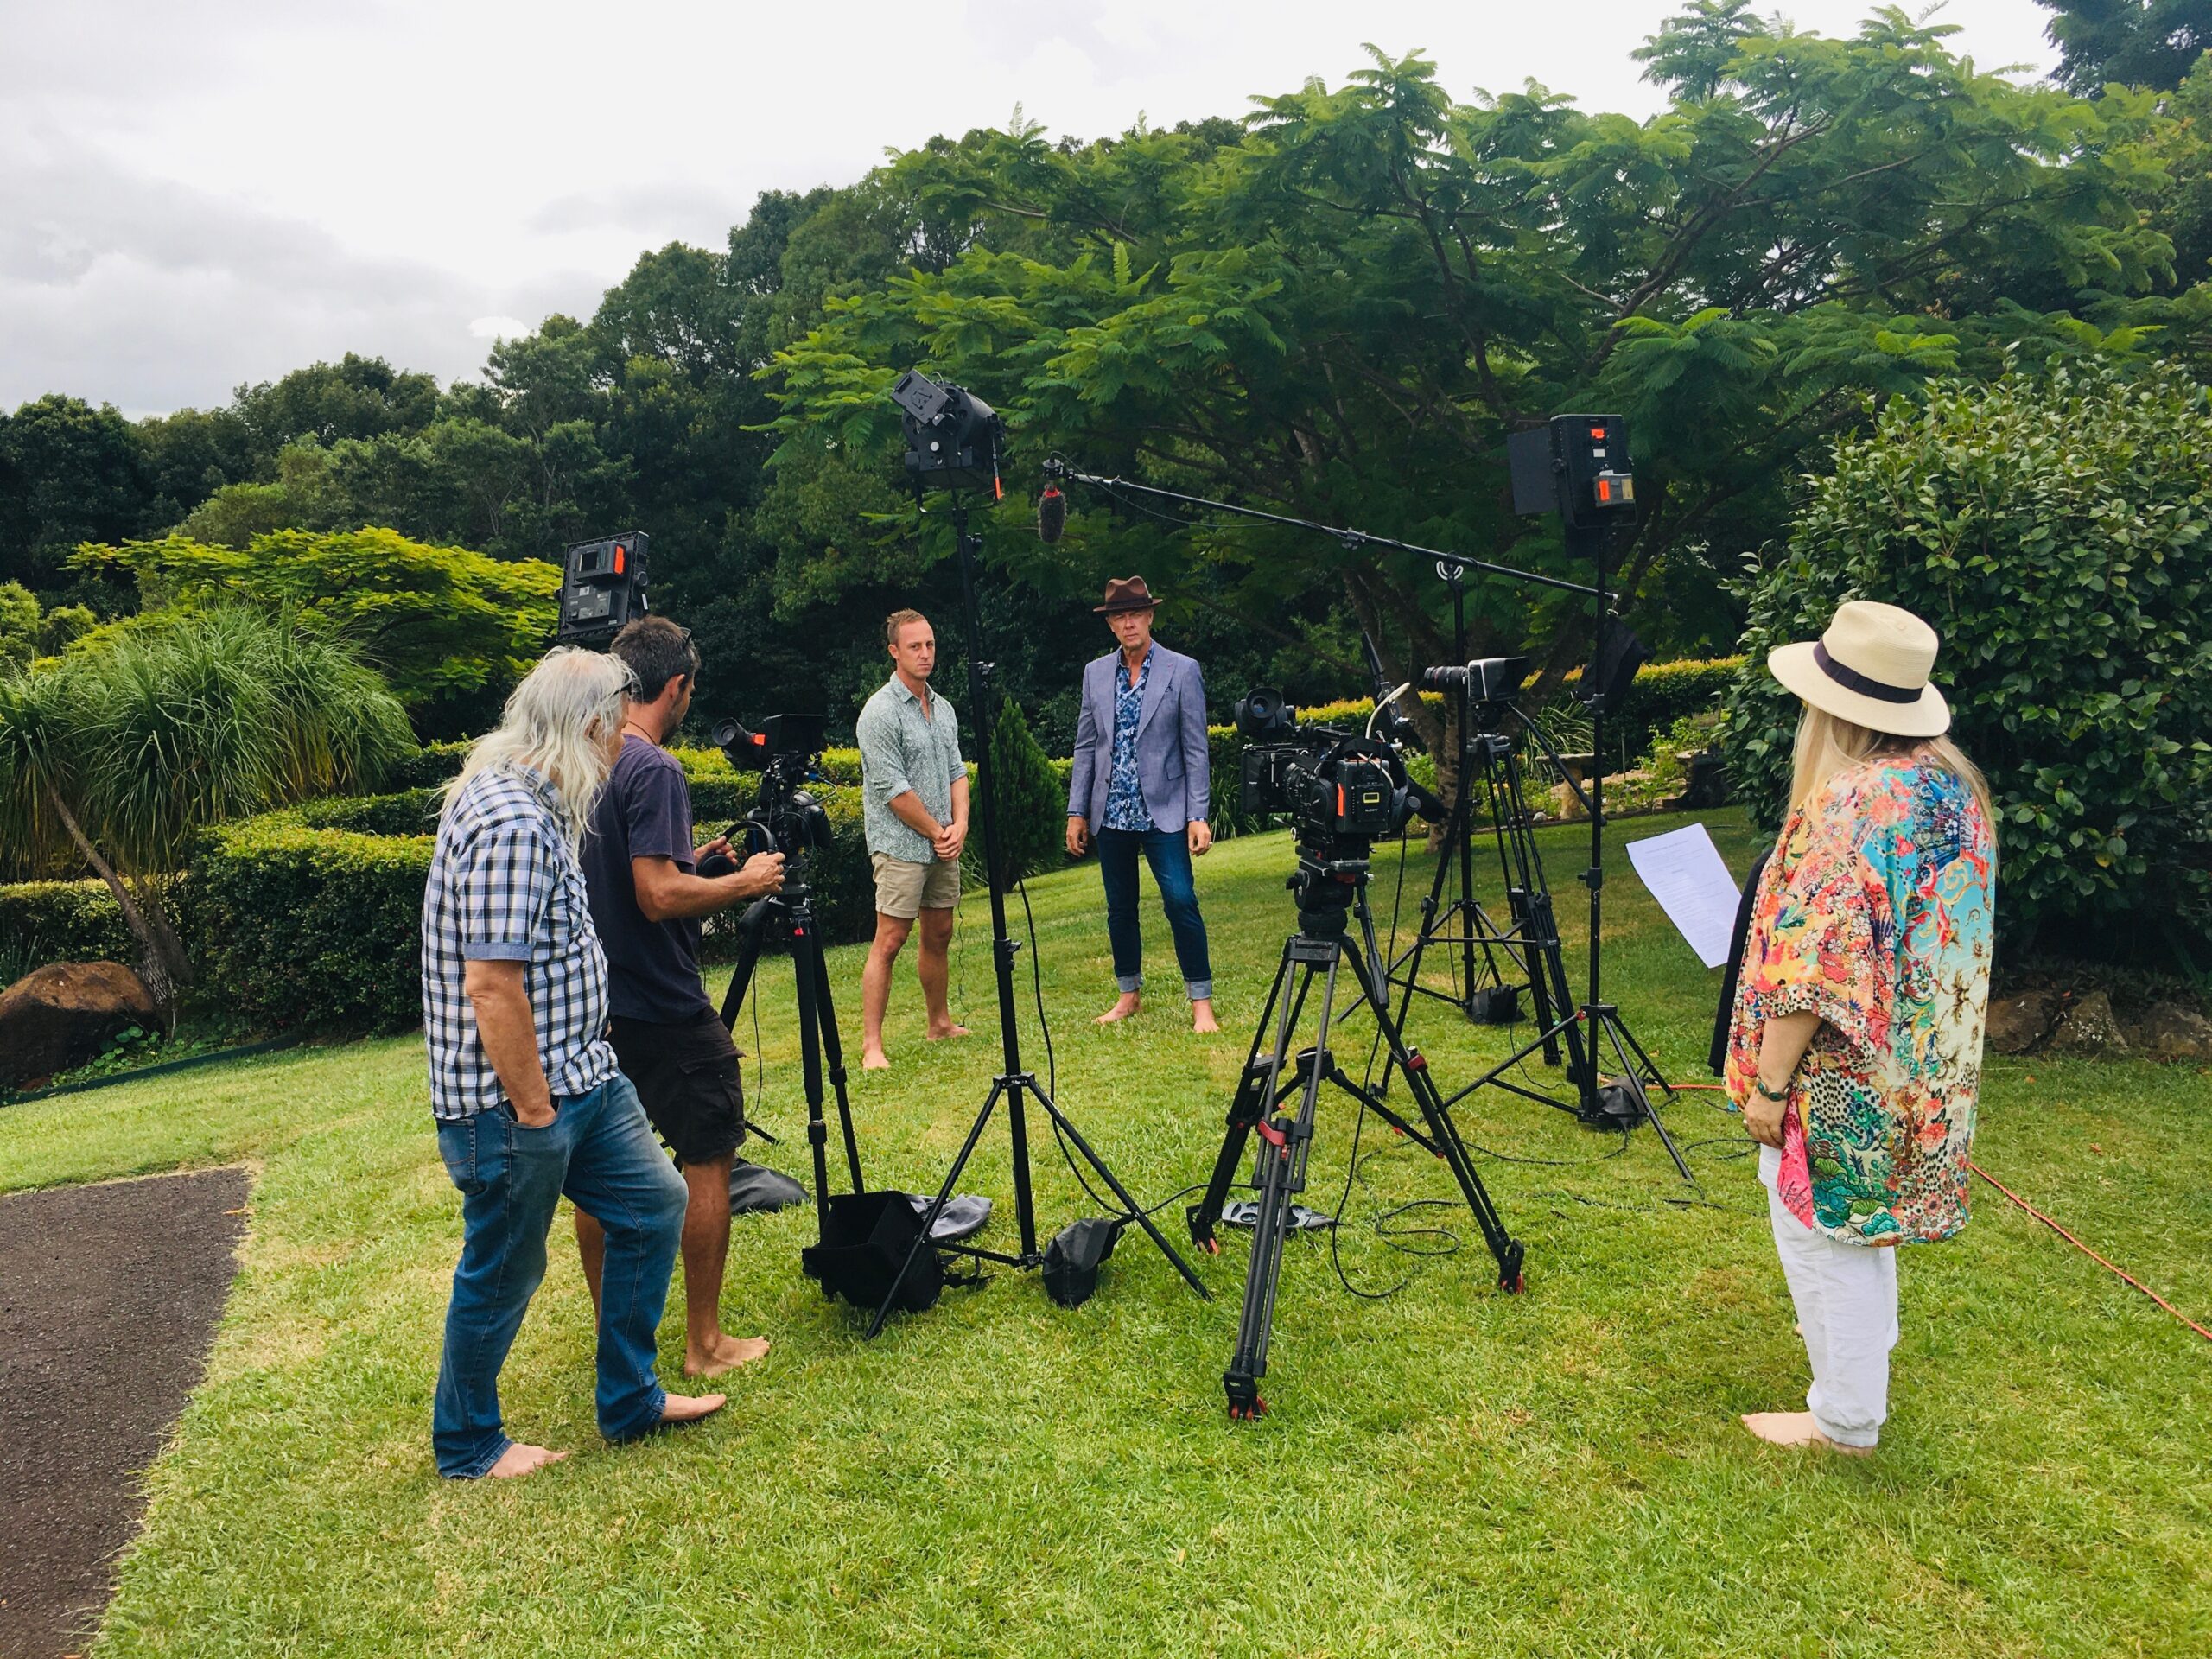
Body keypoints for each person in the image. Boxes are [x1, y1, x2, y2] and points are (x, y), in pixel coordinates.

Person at [420, 648, 725, 1480]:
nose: (624, 741)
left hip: (584, 1073)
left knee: (653, 1204)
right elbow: (491, 984)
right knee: (505, 1266)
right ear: (588, 726)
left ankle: (630, 1398)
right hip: (517, 1099)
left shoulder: (541, 800)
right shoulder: (512, 821)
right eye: (616, 726)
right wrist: (532, 1111)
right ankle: (468, 1443)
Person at [1725, 600, 1996, 1456]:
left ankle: (1844, 1420)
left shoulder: (1848, 806)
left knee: (1818, 1232)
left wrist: (1771, 1086)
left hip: (1841, 1079)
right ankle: (1861, 1364)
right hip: (1918, 1068)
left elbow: (1811, 970)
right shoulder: (1952, 789)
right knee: (1862, 1227)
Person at [572, 615, 787, 1380]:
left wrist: (693, 861)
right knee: (709, 1155)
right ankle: (705, 1343)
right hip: (661, 1002)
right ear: (675, 687)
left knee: (597, 1170)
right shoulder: (655, 767)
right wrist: (746, 882)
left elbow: (627, 875)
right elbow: (657, 896)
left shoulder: (589, 756)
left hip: (596, 1002)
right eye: (690, 689)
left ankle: (612, 1333)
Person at [1064, 575, 1217, 1032]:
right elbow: (1086, 746)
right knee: (1120, 908)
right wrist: (1076, 811)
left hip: (1164, 810)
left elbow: (1196, 749)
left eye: (1135, 614)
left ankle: (1201, 1002)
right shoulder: (1095, 673)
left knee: (1181, 900)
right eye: (1119, 617)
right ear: (1110, 624)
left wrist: (1198, 815)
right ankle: (1128, 994)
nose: (1128, 623)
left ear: (1150, 616)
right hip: (1111, 810)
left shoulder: (1182, 670)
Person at [855, 607, 970, 1071]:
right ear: (894, 652)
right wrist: (940, 831)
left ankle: (939, 1023)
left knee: (939, 933)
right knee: (890, 939)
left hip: (942, 842)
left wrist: (960, 825)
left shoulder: (943, 708)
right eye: (915, 646)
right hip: (900, 845)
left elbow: (958, 772)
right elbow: (893, 791)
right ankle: (872, 1046)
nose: (925, 653)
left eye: (930, 644)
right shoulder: (879, 712)